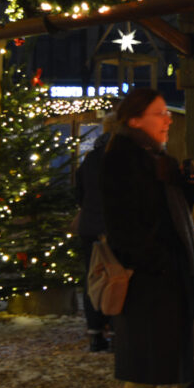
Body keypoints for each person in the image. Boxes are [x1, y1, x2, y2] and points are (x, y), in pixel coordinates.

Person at [102, 87, 194, 388]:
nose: (167, 120)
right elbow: (127, 228)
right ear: (134, 119)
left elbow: (168, 213)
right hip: (147, 284)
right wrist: (159, 265)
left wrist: (188, 184)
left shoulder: (154, 158)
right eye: (159, 113)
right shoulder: (124, 160)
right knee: (142, 373)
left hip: (159, 281)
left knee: (145, 371)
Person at [75, 112, 117, 352]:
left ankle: (95, 333)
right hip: (110, 227)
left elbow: (79, 192)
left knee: (92, 278)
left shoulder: (90, 158)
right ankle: (114, 327)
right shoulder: (119, 156)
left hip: (88, 227)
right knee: (115, 277)